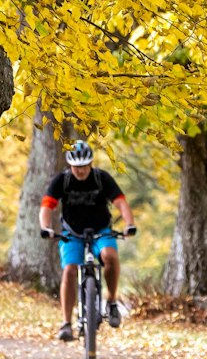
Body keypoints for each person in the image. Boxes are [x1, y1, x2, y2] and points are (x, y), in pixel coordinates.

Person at [38, 140, 137, 342]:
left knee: (110, 256)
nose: (81, 171)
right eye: (76, 166)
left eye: (84, 166)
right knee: (70, 270)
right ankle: (66, 323)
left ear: (90, 163)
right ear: (70, 165)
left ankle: (111, 301)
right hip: (72, 232)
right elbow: (47, 206)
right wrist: (46, 227)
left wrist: (129, 224)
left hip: (101, 230)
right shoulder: (62, 181)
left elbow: (121, 203)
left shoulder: (101, 178)